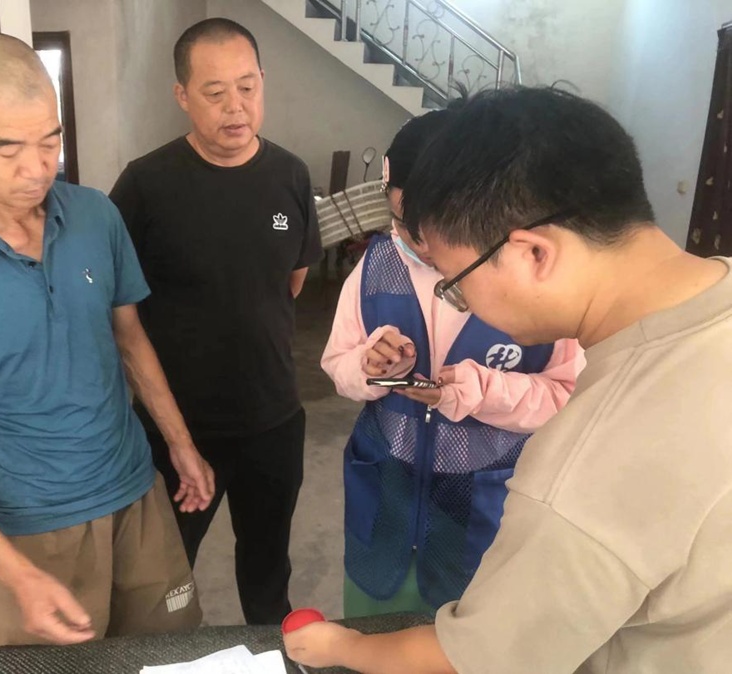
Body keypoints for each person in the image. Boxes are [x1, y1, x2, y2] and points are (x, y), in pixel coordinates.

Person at [284, 85, 732, 673]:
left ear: (532, 253)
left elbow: (483, 659)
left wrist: (342, 648)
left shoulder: (587, 464)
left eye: (456, 281)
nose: (457, 299)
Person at [0, 33, 212, 648]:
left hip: (136, 493)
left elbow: (130, 340)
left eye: (50, 140)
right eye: (7, 147)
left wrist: (180, 444)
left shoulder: (96, 215)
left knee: (167, 654)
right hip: (34, 530)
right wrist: (15, 574)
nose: (37, 168)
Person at [322, 105, 584, 619]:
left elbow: (568, 395)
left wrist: (475, 390)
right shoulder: (376, 266)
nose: (420, 244)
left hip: (480, 513)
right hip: (386, 498)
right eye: (404, 222)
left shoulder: (534, 280)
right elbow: (338, 364)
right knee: (374, 631)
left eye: (436, 224)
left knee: (468, 635)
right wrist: (371, 368)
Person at [109, 18, 323, 625]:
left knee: (268, 575)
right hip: (177, 429)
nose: (236, 107)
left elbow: (292, 279)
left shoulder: (290, 175)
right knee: (161, 586)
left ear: (263, 83)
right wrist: (176, 439)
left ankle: (271, 656)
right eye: (215, 92)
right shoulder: (145, 185)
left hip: (273, 419)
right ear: (182, 95)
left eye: (248, 87)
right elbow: (120, 317)